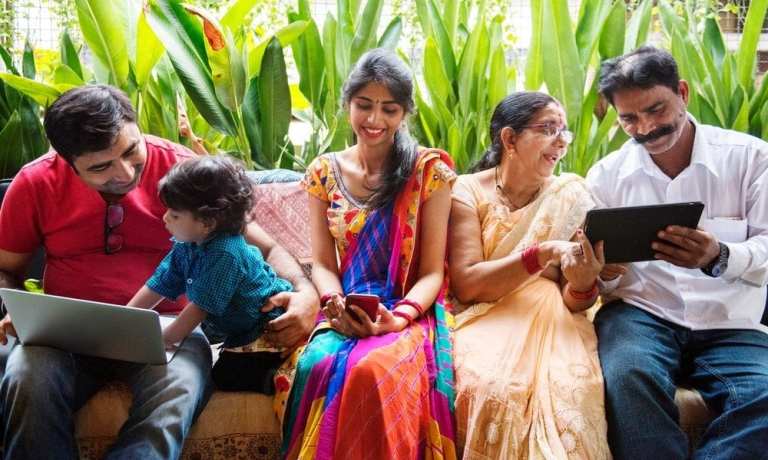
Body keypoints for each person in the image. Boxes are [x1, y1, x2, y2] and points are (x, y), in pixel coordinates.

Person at [0, 85, 317, 459]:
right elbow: (7, 271)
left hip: (169, 329)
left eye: (132, 151)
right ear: (68, 161)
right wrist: (13, 312)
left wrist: (306, 292)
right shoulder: (36, 183)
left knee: (178, 388)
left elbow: (267, 247)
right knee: (26, 375)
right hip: (66, 334)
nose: (125, 172)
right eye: (101, 167)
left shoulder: (186, 172)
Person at [586, 46, 768, 459]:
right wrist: (601, 269)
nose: (646, 127)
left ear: (682, 92)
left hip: (731, 322)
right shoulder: (605, 177)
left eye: (656, 109)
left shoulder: (752, 158)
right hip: (642, 314)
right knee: (628, 378)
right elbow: (599, 277)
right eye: (629, 118)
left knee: (764, 396)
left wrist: (719, 254)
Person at [283, 48, 457, 459]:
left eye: (389, 109)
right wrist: (334, 305)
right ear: (347, 105)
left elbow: (432, 272)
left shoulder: (428, 173)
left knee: (371, 370)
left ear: (405, 113)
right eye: (364, 106)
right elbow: (323, 263)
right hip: (346, 305)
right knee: (316, 366)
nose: (374, 120)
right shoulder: (324, 172)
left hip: (407, 312)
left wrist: (398, 318)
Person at [449, 91, 611, 459]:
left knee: (575, 390)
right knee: (493, 386)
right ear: (509, 139)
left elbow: (575, 298)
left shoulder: (571, 195)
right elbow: (469, 284)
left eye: (564, 132)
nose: (561, 142)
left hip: (554, 318)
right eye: (548, 129)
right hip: (485, 315)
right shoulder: (467, 190)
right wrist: (542, 253)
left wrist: (584, 280)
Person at [127, 155, 292, 393]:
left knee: (224, 377)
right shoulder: (187, 244)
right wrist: (127, 317)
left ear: (207, 222)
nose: (164, 218)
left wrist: (160, 340)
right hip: (237, 329)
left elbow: (198, 308)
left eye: (174, 215)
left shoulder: (226, 253)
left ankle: (277, 375)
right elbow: (160, 283)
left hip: (265, 328)